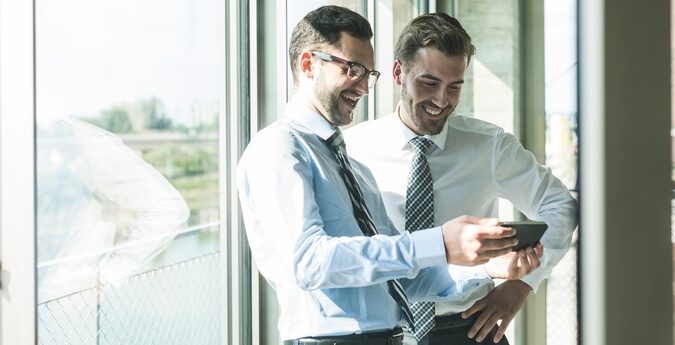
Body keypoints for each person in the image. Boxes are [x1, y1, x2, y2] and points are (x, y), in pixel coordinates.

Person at [236, 6, 543, 344]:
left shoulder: (356, 170)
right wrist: (439, 242)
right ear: (309, 65)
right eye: (353, 70)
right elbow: (310, 262)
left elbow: (404, 279)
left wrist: (486, 267)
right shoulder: (278, 146)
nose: (365, 88)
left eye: (369, 74)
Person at [344, 12, 578, 345]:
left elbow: (561, 207)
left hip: (468, 329)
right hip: (381, 331)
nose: (442, 100)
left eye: (454, 87)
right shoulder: (354, 149)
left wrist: (522, 284)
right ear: (399, 73)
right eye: (429, 83)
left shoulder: (490, 146)